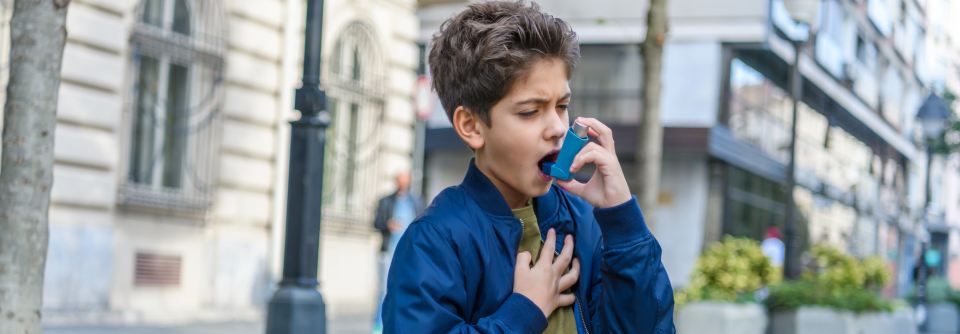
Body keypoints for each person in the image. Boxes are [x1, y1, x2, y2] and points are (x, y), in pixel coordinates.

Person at [381, 2, 675, 333]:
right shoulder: (434, 241)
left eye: (561, 106)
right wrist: (524, 312)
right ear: (472, 126)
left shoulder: (585, 225)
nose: (557, 128)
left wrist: (623, 220)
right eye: (530, 111)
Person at [371, 170, 423, 334]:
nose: (403, 183)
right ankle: (379, 325)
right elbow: (376, 223)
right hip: (389, 251)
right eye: (400, 180)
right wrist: (388, 224)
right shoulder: (386, 201)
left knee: (409, 288)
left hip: (409, 253)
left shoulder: (416, 201)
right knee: (384, 289)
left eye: (406, 180)